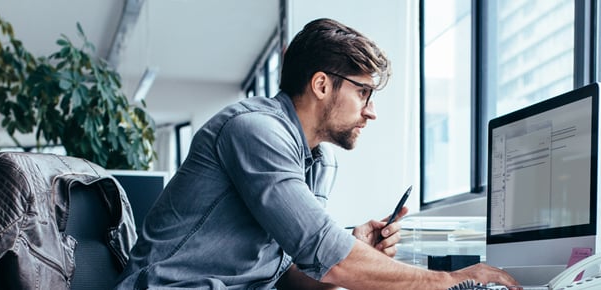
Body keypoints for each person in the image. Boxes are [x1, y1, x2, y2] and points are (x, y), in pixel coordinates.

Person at [113, 18, 517, 290]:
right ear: (322, 84)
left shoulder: (320, 160)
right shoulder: (256, 131)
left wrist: (355, 252)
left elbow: (287, 274)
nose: (371, 111)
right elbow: (326, 252)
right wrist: (451, 280)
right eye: (363, 92)